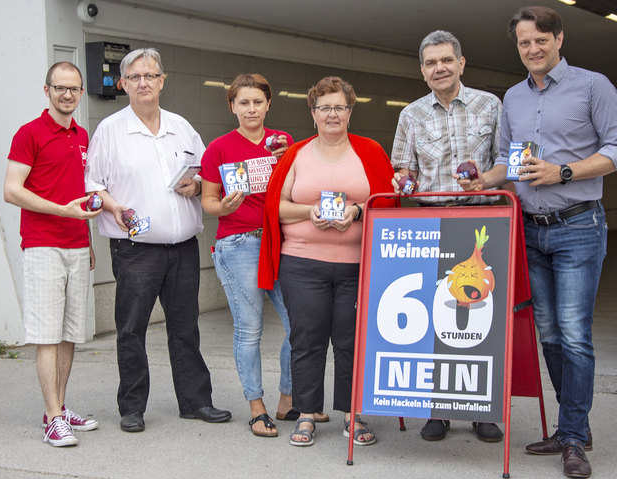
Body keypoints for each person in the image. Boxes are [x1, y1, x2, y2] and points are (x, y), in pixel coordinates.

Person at [457, 7, 617, 478]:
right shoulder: (512, 97)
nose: (532, 49)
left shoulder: (593, 86)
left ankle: (574, 436)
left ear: (559, 38)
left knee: (575, 335)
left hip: (578, 225)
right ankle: (571, 425)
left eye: (540, 40)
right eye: (523, 43)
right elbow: (508, 162)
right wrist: (486, 181)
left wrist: (563, 171)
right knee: (550, 334)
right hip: (532, 230)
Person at [85, 48, 231, 433]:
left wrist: (198, 184)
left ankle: (195, 401)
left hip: (182, 247)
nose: (143, 83)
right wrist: (113, 206)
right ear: (123, 84)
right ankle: (132, 408)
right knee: (131, 329)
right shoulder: (110, 130)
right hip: (135, 250)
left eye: (150, 76)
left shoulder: (181, 127)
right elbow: (93, 185)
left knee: (185, 327)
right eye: (135, 77)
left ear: (163, 81)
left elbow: (208, 176)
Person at [258, 76, 396, 447]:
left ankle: (353, 414)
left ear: (350, 112)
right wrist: (310, 211)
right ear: (313, 113)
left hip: (358, 264)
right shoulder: (296, 154)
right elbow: (278, 207)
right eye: (324, 108)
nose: (332, 114)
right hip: (302, 263)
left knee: (353, 341)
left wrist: (356, 210)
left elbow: (388, 202)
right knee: (307, 339)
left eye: (340, 107)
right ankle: (305, 414)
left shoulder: (370, 151)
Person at [390, 30, 504, 443]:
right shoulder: (411, 115)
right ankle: (437, 410)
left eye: (446, 60)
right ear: (422, 71)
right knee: (436, 319)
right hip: (431, 223)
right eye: (430, 63)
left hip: (481, 225)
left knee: (479, 320)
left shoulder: (490, 105)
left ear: (461, 63)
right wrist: (403, 182)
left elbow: (506, 162)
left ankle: (481, 411)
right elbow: (403, 169)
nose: (439, 68)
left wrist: (485, 180)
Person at [200, 73, 328, 437]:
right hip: (238, 244)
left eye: (257, 101)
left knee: (298, 325)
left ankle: (289, 399)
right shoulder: (219, 149)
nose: (251, 108)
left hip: (279, 241)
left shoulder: (283, 142)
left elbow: (299, 188)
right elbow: (208, 201)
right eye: (243, 102)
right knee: (250, 330)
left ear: (268, 104)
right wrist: (223, 206)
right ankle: (256, 408)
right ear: (232, 106)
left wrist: (287, 158)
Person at [4, 62, 101, 447]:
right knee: (46, 335)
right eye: (59, 88)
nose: (67, 95)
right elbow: (12, 189)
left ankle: (57, 408)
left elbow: (82, 191)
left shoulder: (83, 136)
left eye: (74, 89)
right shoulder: (29, 133)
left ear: (80, 92)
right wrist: (61, 211)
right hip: (44, 244)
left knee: (69, 335)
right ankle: (53, 419)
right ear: (47, 91)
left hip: (77, 245)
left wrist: (88, 239)